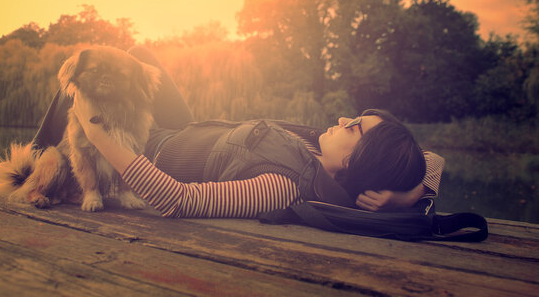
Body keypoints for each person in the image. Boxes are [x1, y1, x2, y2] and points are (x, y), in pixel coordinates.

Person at [33, 46, 444, 218]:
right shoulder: (321, 150)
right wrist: (408, 195)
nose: (341, 121)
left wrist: (96, 130)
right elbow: (431, 159)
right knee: (136, 57)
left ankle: (35, 156)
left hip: (155, 149)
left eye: (353, 128)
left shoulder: (283, 186)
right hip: (188, 130)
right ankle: (41, 154)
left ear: (355, 161)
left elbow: (179, 201)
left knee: (83, 89)